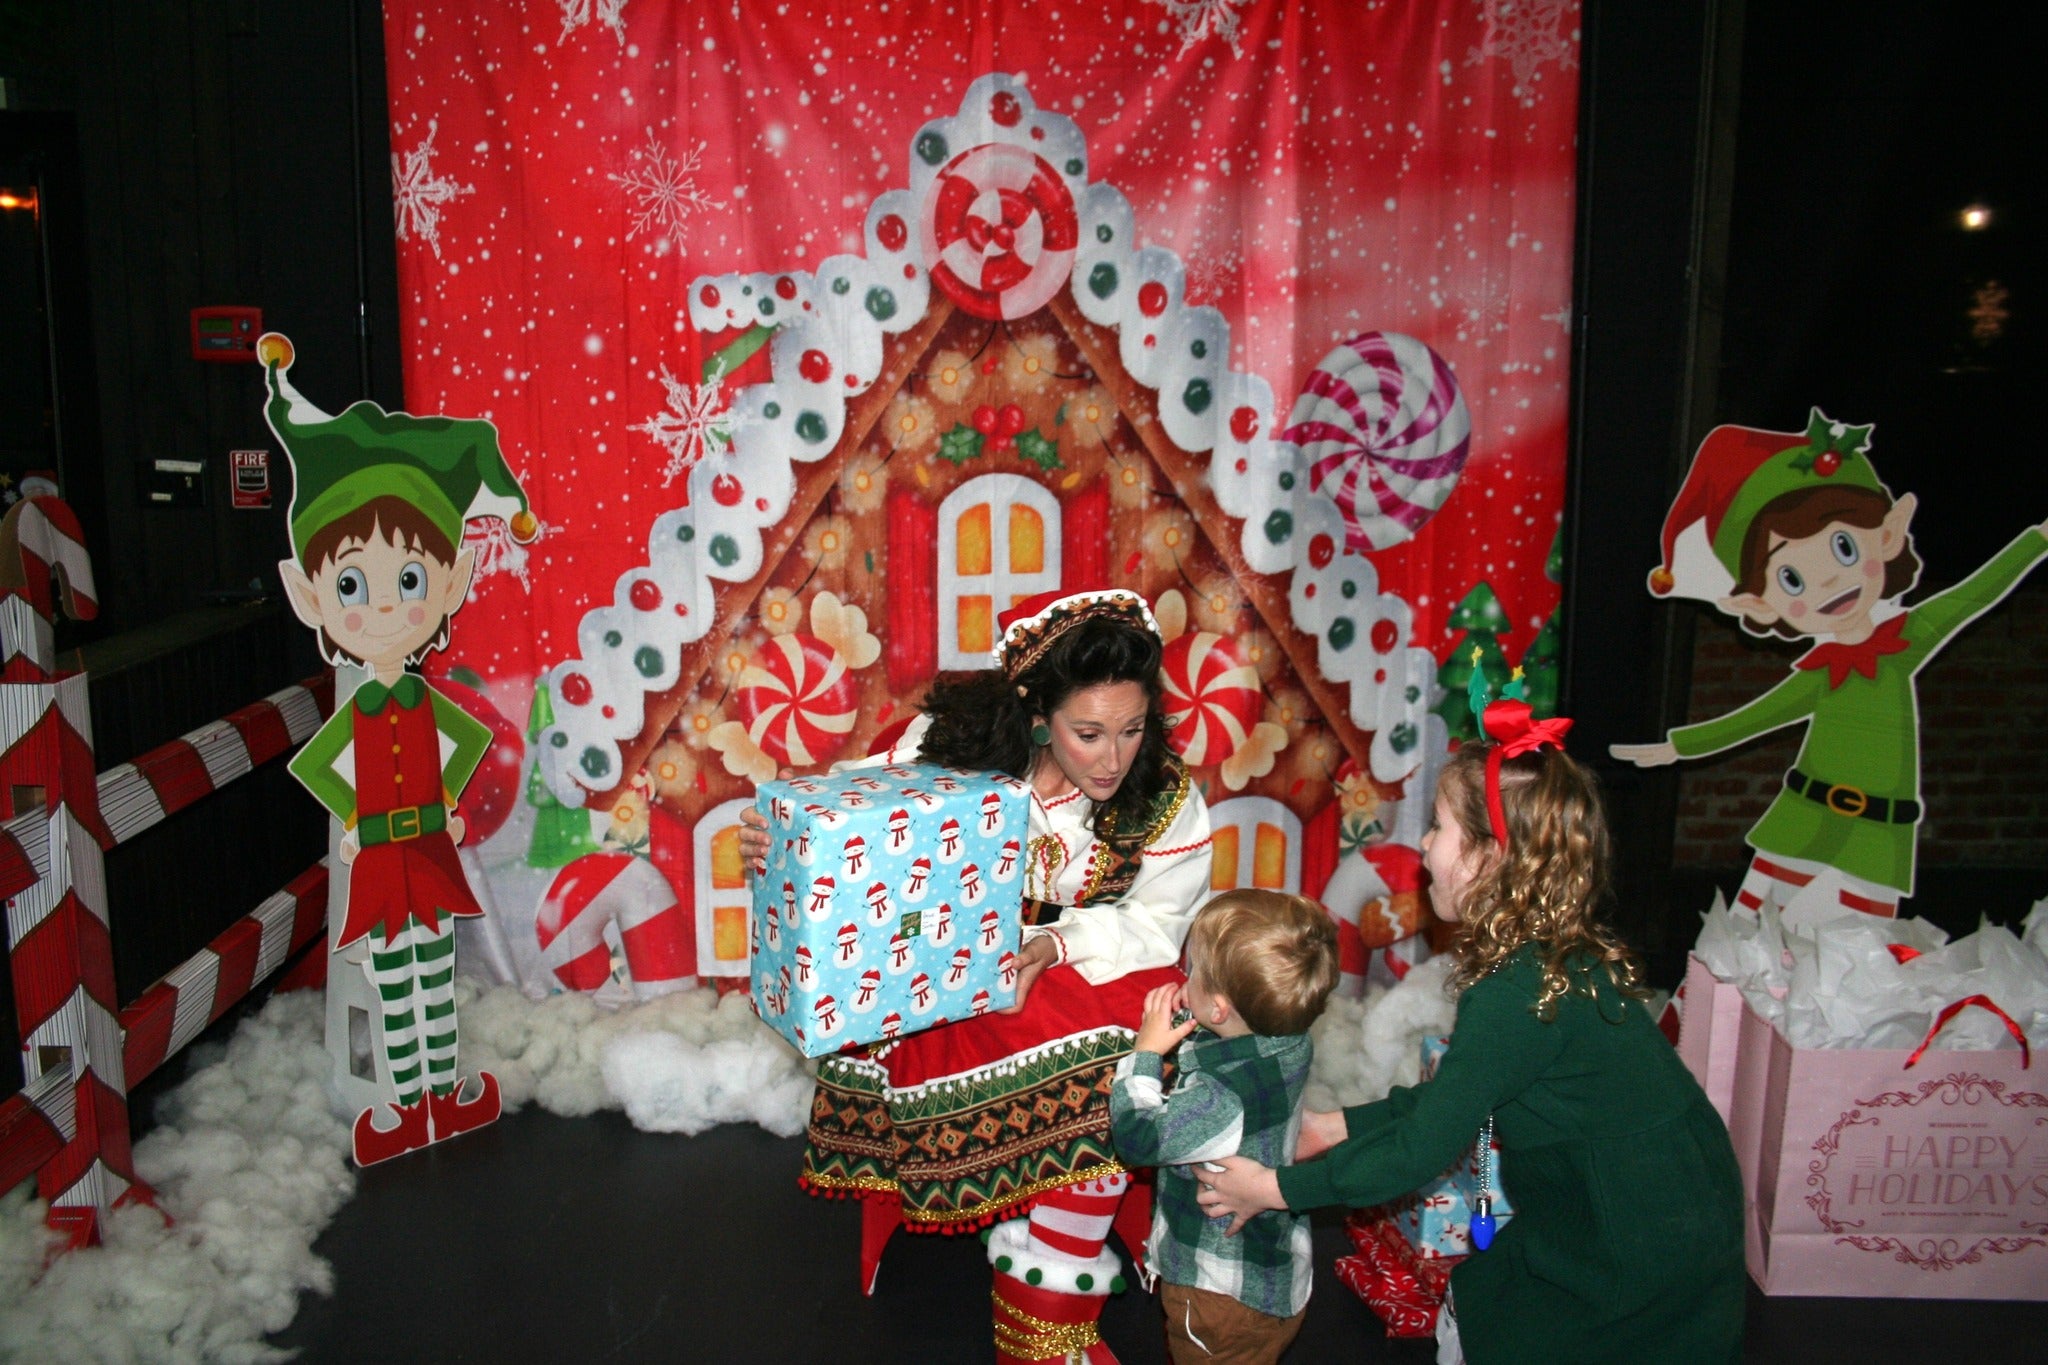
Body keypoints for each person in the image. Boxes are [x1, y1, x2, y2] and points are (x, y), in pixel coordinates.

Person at [739, 586, 1213, 1364]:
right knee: (999, 1025)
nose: (1113, 756)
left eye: (1132, 729)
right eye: (1087, 732)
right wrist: (776, 835)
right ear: (1036, 712)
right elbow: (848, 808)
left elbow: (1165, 920)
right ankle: (1033, 1266)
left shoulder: (1162, 796)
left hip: (1086, 964)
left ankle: (1048, 1311)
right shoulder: (948, 742)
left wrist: (1054, 947)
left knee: (1129, 1039)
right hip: (953, 982)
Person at [1192, 705, 1746, 1364]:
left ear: (1491, 855)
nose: (1423, 845)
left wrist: (1274, 1190)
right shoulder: (1544, 955)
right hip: (1639, 1199)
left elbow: (1422, 1148)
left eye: (1438, 827)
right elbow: (1457, 1094)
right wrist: (1335, 1124)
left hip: (1637, 1231)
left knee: (1508, 1326)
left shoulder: (1516, 989)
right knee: (1488, 1304)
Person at [264, 331, 537, 1165]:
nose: (385, 606)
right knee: (387, 978)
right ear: (312, 595)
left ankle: (435, 1090)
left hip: (428, 849)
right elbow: (319, 766)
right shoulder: (363, 700)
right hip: (381, 861)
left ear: (446, 585)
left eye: (409, 581)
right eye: (354, 585)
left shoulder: (422, 695)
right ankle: (394, 1098)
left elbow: (461, 744)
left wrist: (447, 809)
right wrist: (352, 818)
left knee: (430, 974)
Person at [1612, 411, 2048, 918]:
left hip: (1877, 837)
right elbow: (1757, 717)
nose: (1825, 584)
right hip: (1802, 819)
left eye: (1843, 547)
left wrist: (2036, 541)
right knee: (1752, 934)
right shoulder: (1821, 670)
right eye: (1792, 578)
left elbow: (1971, 598)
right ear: (1762, 605)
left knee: (1857, 954)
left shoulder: (1904, 643)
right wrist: (1675, 748)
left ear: (1886, 536)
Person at [1107, 890, 1339, 1365]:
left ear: (1218, 1009)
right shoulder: (1291, 1042)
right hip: (1275, 1272)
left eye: (1191, 971)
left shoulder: (1219, 1097)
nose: (1183, 978)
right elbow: (1232, 1032)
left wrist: (1146, 1054)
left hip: (1218, 1296)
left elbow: (1137, 1137)